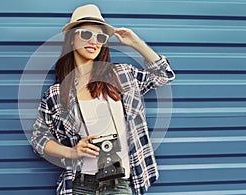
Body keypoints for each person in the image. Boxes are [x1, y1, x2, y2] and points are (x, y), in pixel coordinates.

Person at [31, 4, 175, 195]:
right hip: (80, 184)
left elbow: (163, 75)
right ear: (72, 39)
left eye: (100, 37)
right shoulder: (57, 93)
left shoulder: (123, 75)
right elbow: (38, 138)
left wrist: (136, 43)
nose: (94, 41)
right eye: (86, 34)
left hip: (120, 183)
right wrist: (71, 152)